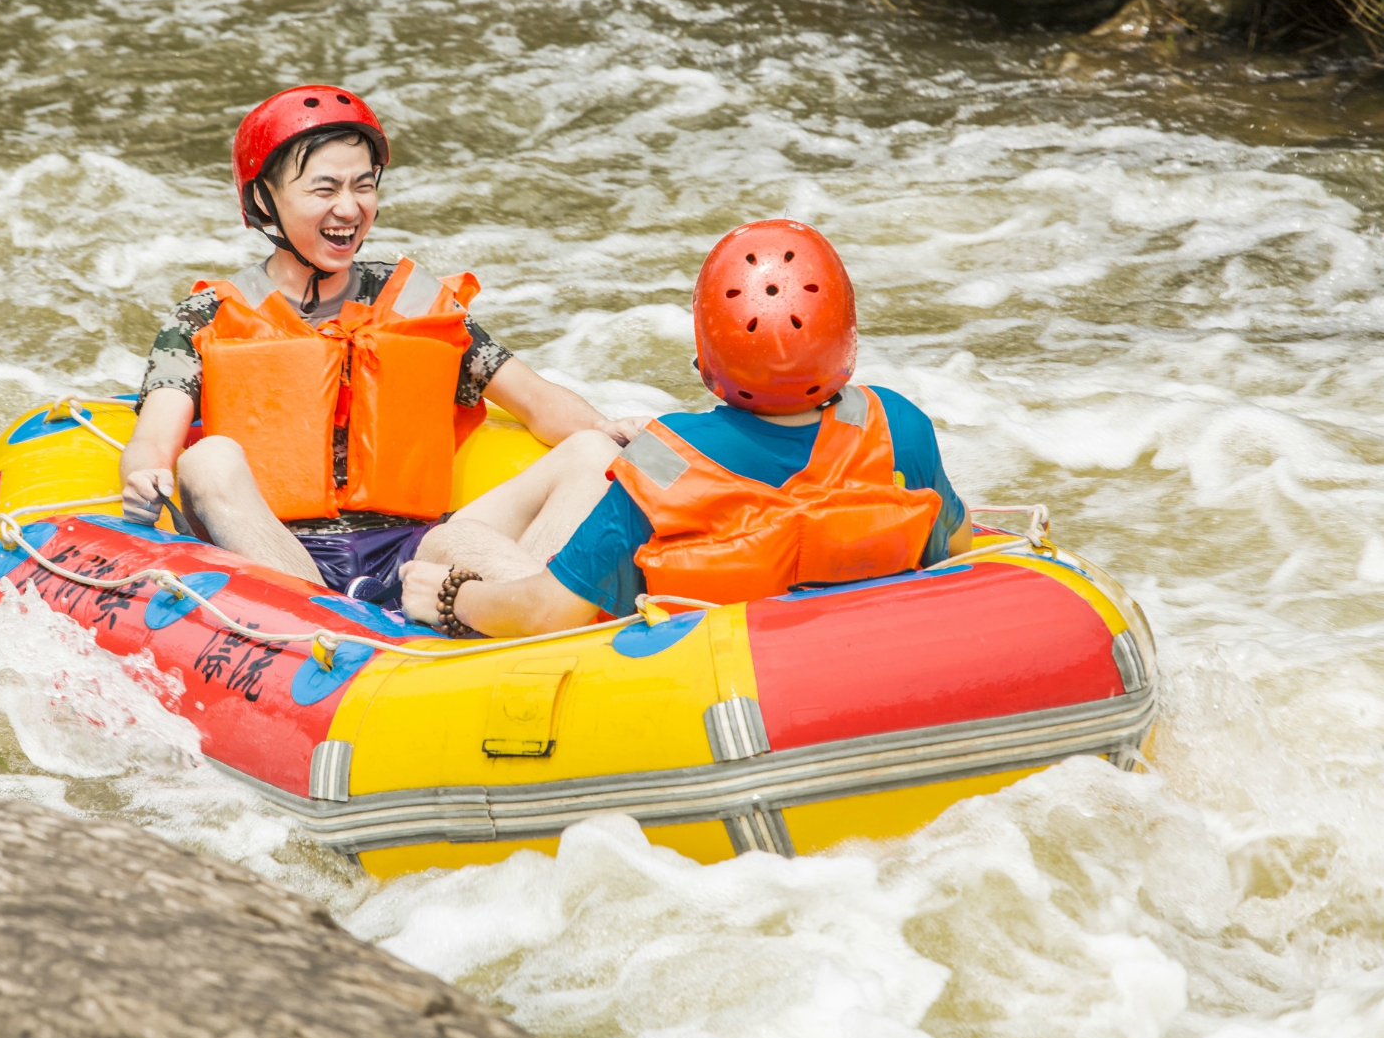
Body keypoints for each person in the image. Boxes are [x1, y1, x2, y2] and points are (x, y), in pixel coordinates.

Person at [119, 85, 630, 591]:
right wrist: (144, 477)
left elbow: (538, 401)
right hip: (283, 553)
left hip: (414, 549)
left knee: (591, 451)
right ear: (263, 198)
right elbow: (154, 441)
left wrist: (615, 431)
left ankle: (532, 609)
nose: (348, 208)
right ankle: (329, 614)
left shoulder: (415, 303)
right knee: (208, 459)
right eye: (324, 189)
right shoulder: (204, 318)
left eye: (362, 186)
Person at [400, 219, 973, 637]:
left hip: (655, 666)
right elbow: (957, 548)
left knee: (442, 543)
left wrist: (456, 597)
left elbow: (547, 614)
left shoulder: (665, 457)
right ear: (846, 338)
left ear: (706, 362)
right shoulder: (896, 423)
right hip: (842, 650)